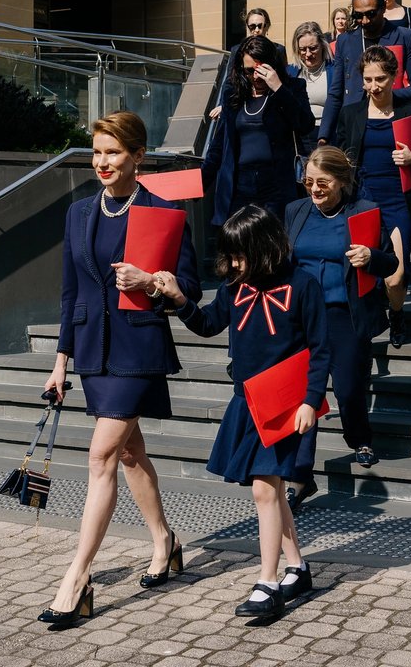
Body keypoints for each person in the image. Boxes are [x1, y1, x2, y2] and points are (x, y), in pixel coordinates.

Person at [37, 111, 202, 626]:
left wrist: (151, 280)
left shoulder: (164, 209)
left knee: (101, 455)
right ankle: (164, 540)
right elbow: (70, 293)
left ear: (138, 157)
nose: (102, 161)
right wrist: (60, 361)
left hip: (138, 350)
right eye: (97, 152)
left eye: (112, 152)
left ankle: (77, 576)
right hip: (93, 351)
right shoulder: (79, 212)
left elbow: (189, 289)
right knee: (130, 454)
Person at [154, 205, 329, 618]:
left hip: (287, 405)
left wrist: (309, 400)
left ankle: (267, 583)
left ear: (264, 246)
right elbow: (208, 324)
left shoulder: (303, 285)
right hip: (247, 402)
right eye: (229, 255)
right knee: (269, 491)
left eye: (239, 254)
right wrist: (179, 298)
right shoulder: (235, 286)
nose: (233, 263)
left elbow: (322, 350)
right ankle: (297, 568)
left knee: (265, 490)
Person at [285, 146, 399, 496]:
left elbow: (391, 265)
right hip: (300, 316)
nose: (314, 190)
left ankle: (359, 437)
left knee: (348, 388)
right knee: (305, 393)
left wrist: (371, 256)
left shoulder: (364, 213)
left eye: (323, 182)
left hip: (343, 314)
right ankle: (301, 474)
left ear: (342, 181)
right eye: (308, 183)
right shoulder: (295, 211)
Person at [335, 45, 411, 349]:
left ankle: (397, 312)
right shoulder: (351, 113)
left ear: (394, 77)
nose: (374, 86)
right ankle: (365, 324)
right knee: (362, 271)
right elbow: (338, 157)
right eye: (368, 80)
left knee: (395, 276)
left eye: (380, 79)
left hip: (397, 201)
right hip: (362, 203)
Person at [201, 35, 315, 227]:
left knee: (273, 247)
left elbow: (305, 124)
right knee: (239, 247)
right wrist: (199, 185)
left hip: (275, 184)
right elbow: (219, 145)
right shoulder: (233, 95)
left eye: (261, 70)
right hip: (240, 185)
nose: (255, 76)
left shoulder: (291, 88)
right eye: (249, 71)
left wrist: (278, 87)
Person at [320, 0, 411, 145]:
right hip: (354, 124)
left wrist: (389, 96)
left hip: (392, 122)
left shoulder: (404, 36)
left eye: (371, 14)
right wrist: (323, 136)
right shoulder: (345, 41)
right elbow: (336, 93)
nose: (364, 21)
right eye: (358, 15)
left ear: (383, 8)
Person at [210, 8, 288, 121]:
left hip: (271, 101)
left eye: (260, 26)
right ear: (247, 27)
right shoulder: (238, 50)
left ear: (267, 26)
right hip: (247, 100)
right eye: (252, 26)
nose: (256, 30)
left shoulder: (278, 50)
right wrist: (223, 104)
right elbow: (230, 80)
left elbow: (284, 78)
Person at [288, 21, 340, 151]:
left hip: (329, 136)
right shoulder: (291, 72)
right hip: (299, 138)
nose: (308, 54)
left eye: (313, 48)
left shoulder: (335, 71)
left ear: (322, 45)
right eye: (302, 49)